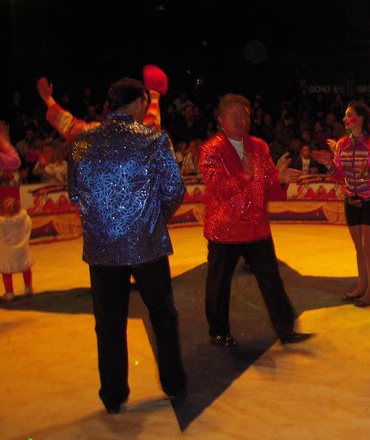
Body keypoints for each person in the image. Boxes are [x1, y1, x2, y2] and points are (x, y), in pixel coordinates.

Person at [67, 77, 187, 414]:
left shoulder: (81, 144)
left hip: (102, 248)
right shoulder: (153, 140)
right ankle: (173, 382)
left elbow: (75, 194)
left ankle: (113, 394)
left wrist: (104, 220)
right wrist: (153, 220)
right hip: (147, 244)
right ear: (138, 103)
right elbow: (174, 189)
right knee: (162, 315)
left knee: (108, 322)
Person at [199, 93, 312, 348]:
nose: (241, 121)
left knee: (271, 280)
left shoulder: (259, 146)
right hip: (226, 229)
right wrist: (246, 175)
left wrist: (280, 178)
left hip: (256, 227)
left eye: (245, 116)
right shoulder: (211, 149)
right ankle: (218, 331)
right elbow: (219, 188)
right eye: (235, 116)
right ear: (221, 119)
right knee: (219, 284)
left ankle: (286, 329)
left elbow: (269, 180)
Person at [325, 101, 370, 306]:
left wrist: (368, 171)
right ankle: (362, 286)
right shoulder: (342, 143)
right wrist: (328, 165)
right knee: (359, 248)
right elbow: (339, 174)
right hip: (351, 199)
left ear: (360, 118)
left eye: (349, 114)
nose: (344, 119)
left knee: (369, 246)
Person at [36, 64, 166, 142]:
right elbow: (151, 125)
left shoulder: (95, 132)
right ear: (138, 104)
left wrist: (48, 99)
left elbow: (70, 126)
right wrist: (154, 98)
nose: (146, 109)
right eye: (145, 103)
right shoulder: (142, 135)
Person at [0, 198, 33, 302]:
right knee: (26, 268)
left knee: (6, 272)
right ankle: (28, 288)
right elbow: (27, 230)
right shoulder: (25, 218)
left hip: (7, 251)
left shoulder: (1, 222)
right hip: (22, 249)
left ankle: (9, 293)